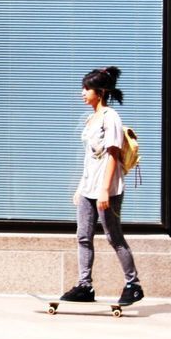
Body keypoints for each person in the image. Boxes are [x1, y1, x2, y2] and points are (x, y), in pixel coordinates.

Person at [61, 65, 144, 306]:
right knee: (83, 236)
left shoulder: (111, 118)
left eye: (86, 89)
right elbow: (89, 159)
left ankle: (133, 284)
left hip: (107, 189)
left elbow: (112, 155)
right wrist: (81, 187)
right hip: (89, 188)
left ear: (100, 91)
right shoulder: (90, 119)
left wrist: (104, 190)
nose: (82, 93)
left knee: (113, 236)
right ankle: (84, 286)